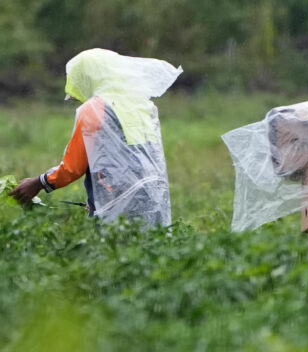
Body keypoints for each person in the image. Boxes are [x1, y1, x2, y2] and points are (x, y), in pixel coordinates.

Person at [9, 48, 182, 226]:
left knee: (114, 251)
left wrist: (37, 183)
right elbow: (136, 161)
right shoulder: (143, 105)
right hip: (154, 197)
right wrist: (98, 200)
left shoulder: (94, 108)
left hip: (119, 205)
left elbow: (72, 167)